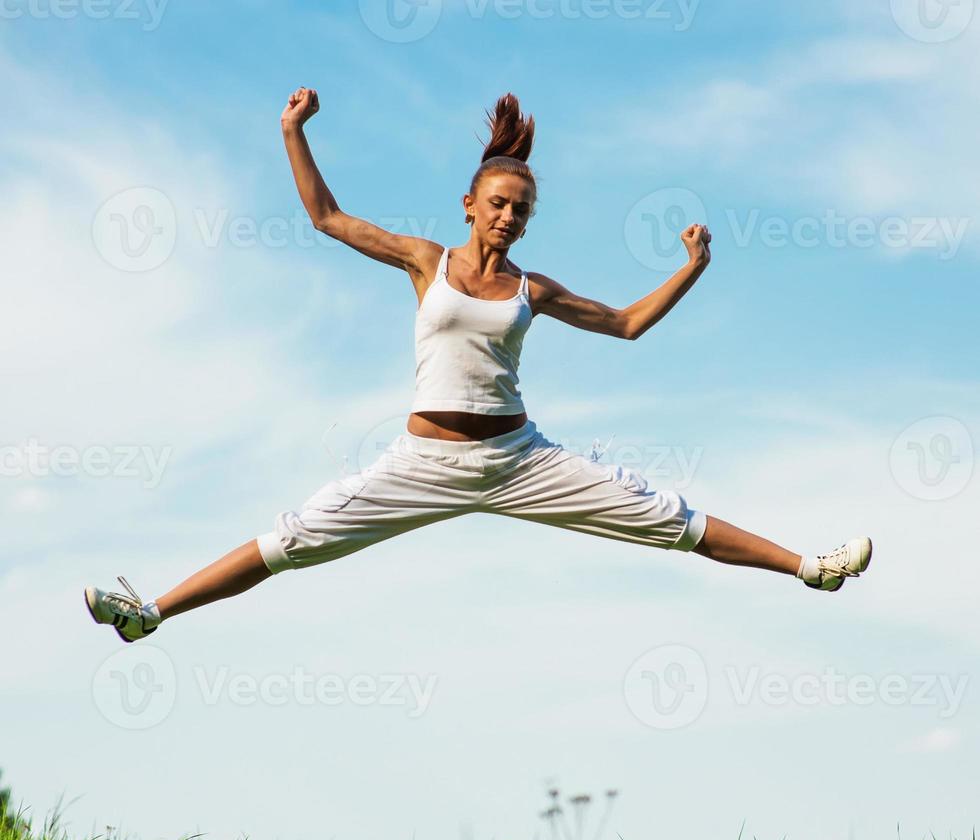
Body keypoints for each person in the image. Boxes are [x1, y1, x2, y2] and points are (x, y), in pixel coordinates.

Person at [86, 90, 872, 644]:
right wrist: (293, 130)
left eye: (521, 209)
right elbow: (325, 218)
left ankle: (811, 568)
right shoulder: (424, 262)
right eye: (497, 203)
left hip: (518, 459)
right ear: (469, 203)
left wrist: (692, 268)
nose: (509, 215)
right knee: (294, 540)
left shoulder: (533, 288)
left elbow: (628, 325)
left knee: (665, 517)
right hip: (423, 462)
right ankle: (148, 612)